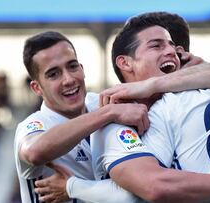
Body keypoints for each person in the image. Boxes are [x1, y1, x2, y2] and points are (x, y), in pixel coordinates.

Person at [36, 14, 210, 203]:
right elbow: (149, 188)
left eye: (175, 48)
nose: (172, 53)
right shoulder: (123, 118)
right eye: (157, 45)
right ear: (125, 63)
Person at [14, 31, 151, 203]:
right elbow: (34, 152)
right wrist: (108, 113)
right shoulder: (34, 124)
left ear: (82, 68)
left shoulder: (102, 102)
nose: (68, 79)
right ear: (37, 88)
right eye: (53, 74)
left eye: (72, 66)